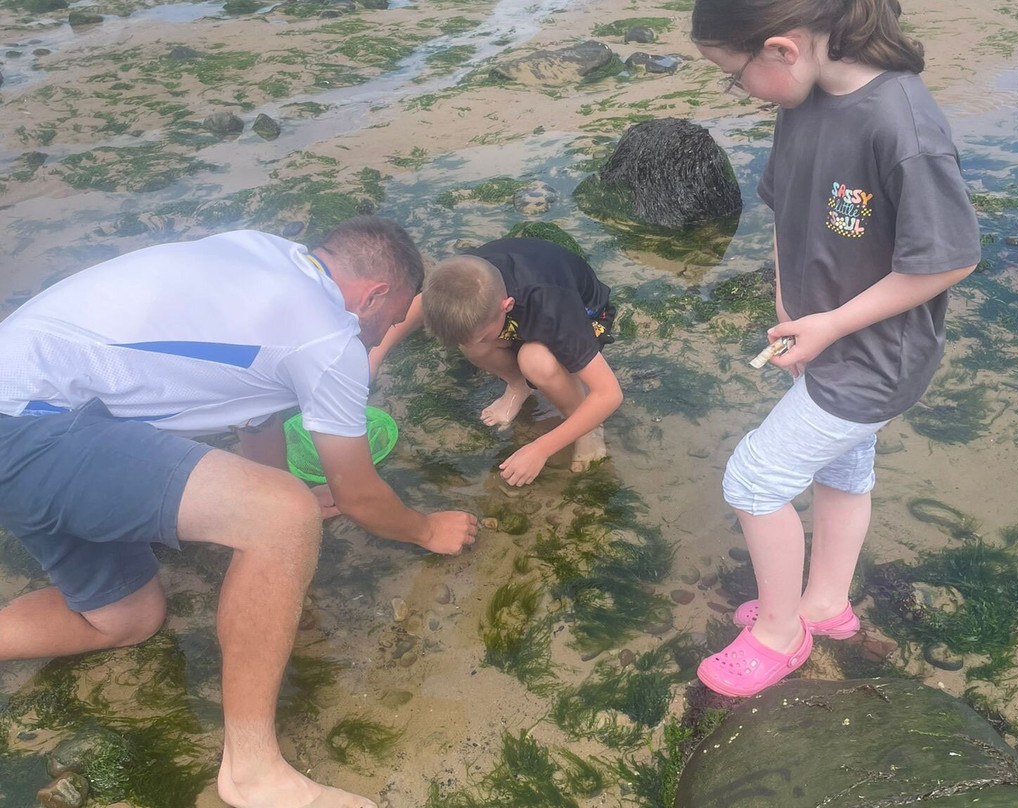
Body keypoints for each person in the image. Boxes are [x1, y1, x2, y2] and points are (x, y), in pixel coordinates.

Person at [0, 216, 478, 808]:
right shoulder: (328, 335)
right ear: (375, 293)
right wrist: (428, 527)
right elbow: (356, 495)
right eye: (393, 315)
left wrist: (278, 490)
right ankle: (251, 772)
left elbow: (257, 409)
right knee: (281, 518)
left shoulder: (266, 258)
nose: (379, 336)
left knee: (125, 619)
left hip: (35, 416)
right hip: (31, 426)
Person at [690, 0, 981, 697]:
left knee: (754, 481)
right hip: (826, 339)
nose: (739, 92)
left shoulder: (901, 125)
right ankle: (823, 605)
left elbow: (948, 260)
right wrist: (791, 303)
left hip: (877, 359)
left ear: (784, 49)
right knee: (844, 470)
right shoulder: (805, 100)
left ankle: (779, 635)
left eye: (735, 76)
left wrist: (833, 323)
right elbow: (785, 209)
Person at [369, 237, 623, 487]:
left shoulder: (551, 305)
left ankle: (587, 427)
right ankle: (518, 385)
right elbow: (421, 304)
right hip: (516, 311)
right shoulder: (459, 281)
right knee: (473, 342)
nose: (473, 343)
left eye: (483, 335)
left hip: (581, 310)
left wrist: (541, 448)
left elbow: (609, 393)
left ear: (507, 305)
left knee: (535, 361)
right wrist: (374, 358)